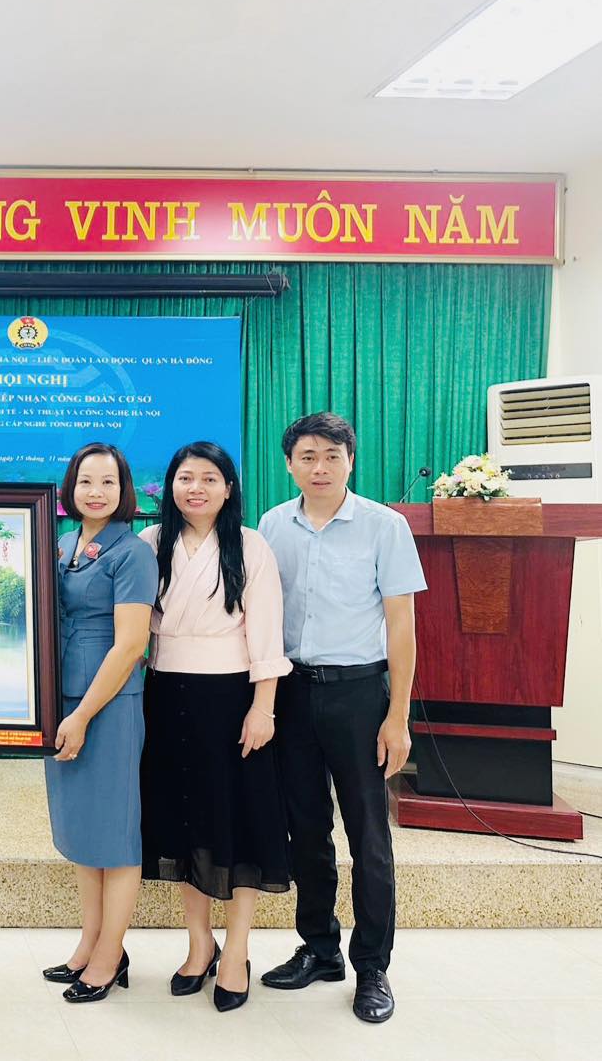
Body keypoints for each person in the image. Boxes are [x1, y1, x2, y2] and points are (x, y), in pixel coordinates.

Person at [258, 412, 426, 1024]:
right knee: (305, 829)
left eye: (332, 455)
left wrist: (397, 716)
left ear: (351, 460)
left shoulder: (385, 526)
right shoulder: (272, 525)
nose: (320, 467)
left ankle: (373, 967)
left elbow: (402, 627)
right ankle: (320, 948)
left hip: (358, 697)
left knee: (368, 836)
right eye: (307, 456)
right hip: (291, 693)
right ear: (289, 464)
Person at [138, 441, 292, 1012]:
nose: (196, 487)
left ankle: (237, 951)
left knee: (238, 822)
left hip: (232, 698)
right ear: (170, 487)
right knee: (185, 819)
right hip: (166, 694)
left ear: (229, 488)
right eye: (185, 477)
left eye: (209, 478)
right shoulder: (150, 543)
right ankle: (199, 944)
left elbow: (267, 633)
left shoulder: (250, 546)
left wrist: (263, 707)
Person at [40, 442, 157, 1004]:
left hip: (106, 704)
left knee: (115, 832)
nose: (96, 492)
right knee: (82, 829)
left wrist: (84, 714)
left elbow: (131, 645)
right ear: (71, 487)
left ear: (124, 490)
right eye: (86, 481)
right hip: (60, 699)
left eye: (108, 482)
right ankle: (90, 942)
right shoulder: (63, 544)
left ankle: (111, 954)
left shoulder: (132, 553)